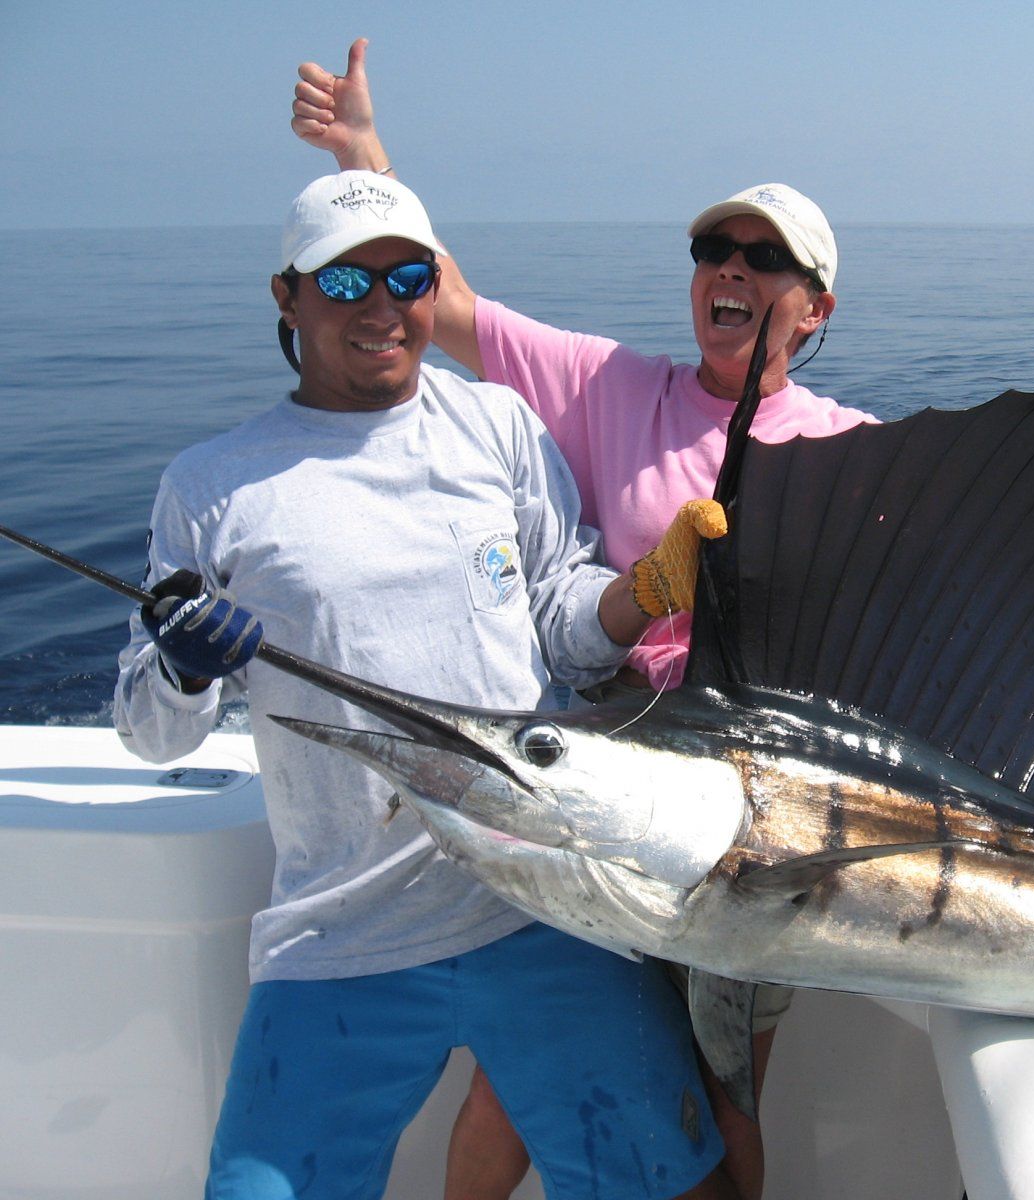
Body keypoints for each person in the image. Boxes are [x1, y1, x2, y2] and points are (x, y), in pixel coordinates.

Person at [292, 40, 876, 1200]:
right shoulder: (614, 384)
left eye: (766, 260)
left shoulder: (859, 454)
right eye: (716, 248)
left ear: (813, 309)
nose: (732, 268)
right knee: (520, 1079)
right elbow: (444, 304)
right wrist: (363, 150)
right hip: (604, 767)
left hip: (759, 806)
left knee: (721, 1085)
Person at [113, 168, 737, 1200]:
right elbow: (151, 735)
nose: (381, 307)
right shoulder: (211, 486)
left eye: (405, 277)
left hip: (539, 903)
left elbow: (559, 629)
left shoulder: (496, 427)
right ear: (287, 297)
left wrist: (639, 595)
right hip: (340, 933)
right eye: (344, 284)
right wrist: (182, 669)